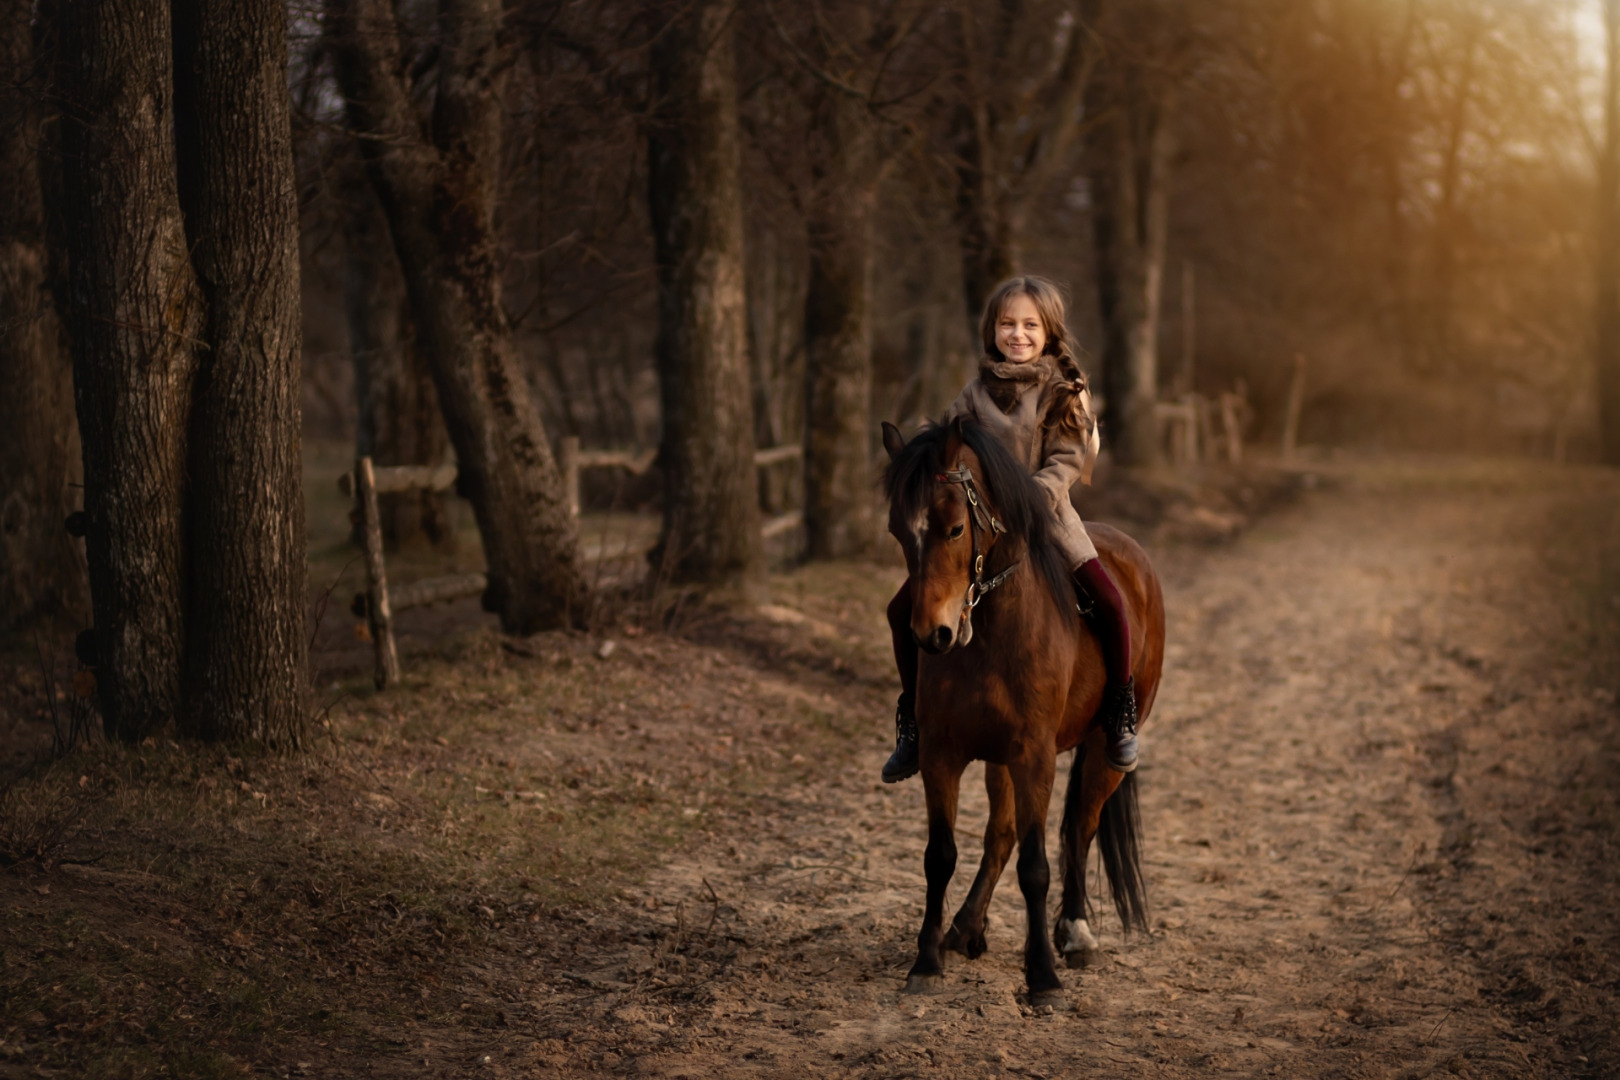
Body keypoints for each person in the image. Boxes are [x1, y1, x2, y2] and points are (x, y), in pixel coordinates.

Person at [883, 275, 1140, 782]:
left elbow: (1067, 462)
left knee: (1111, 601)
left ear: (1048, 332)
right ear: (992, 330)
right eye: (1007, 324)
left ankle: (1120, 711)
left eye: (1029, 325)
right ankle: (913, 724)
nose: (1017, 334)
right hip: (980, 527)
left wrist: (1027, 501)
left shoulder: (1065, 391)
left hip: (1047, 517)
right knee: (899, 610)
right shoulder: (975, 393)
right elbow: (945, 446)